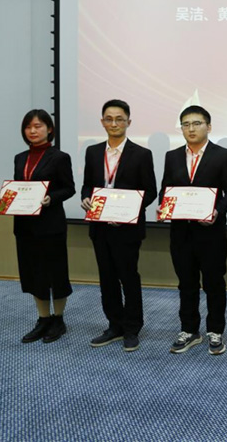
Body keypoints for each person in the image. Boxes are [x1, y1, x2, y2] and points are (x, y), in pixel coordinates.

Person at [159, 105, 227, 355]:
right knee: (186, 283)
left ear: (209, 126)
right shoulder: (172, 156)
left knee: (214, 283)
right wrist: (164, 206)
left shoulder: (222, 155)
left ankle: (215, 330)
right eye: (186, 124)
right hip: (181, 232)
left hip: (211, 232)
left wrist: (218, 211)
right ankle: (189, 329)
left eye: (197, 123)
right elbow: (166, 189)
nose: (191, 129)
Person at [80, 99, 157, 352]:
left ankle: (132, 327)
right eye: (109, 119)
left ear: (128, 122)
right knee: (107, 278)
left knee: (128, 277)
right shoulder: (93, 152)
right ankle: (114, 325)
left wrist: (128, 212)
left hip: (127, 228)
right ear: (102, 122)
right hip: (100, 226)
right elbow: (87, 185)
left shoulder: (142, 154)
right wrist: (86, 198)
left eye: (119, 119)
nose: (114, 123)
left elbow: (151, 191)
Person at [12, 109, 75, 343]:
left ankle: (58, 319)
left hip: (50, 225)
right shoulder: (20, 157)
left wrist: (51, 198)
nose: (32, 131)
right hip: (25, 225)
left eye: (38, 126)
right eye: (28, 127)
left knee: (55, 273)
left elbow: (69, 188)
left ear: (49, 129)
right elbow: (18, 187)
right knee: (33, 273)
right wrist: (6, 198)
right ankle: (43, 319)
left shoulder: (59, 157)